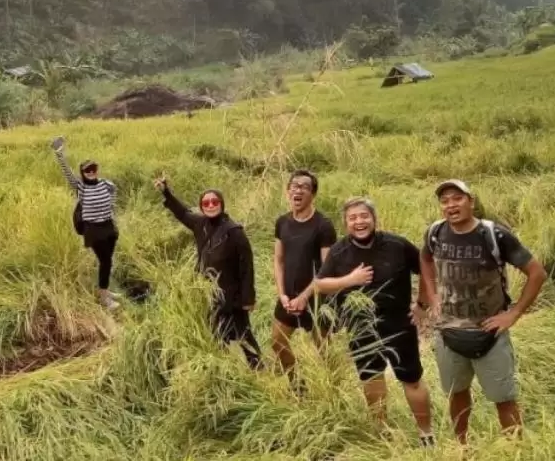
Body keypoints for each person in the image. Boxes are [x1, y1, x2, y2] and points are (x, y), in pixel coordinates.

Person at [419, 179, 547, 445]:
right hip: (448, 331)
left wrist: (513, 314)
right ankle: (462, 447)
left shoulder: (494, 235)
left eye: (457, 198)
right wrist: (431, 297)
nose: (451, 205)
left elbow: (537, 273)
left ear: (471, 201)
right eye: (445, 201)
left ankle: (515, 449)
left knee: (504, 398)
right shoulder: (435, 232)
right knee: (457, 393)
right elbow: (426, 259)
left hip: (489, 332)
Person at [315, 197, 434, 447]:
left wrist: (422, 304)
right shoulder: (339, 251)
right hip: (360, 327)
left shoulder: (396, 245)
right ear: (346, 223)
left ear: (373, 218)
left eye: (363, 216)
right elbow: (321, 284)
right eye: (353, 218)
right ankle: (382, 433)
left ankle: (426, 434)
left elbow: (426, 268)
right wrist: (349, 280)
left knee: (412, 379)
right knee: (372, 378)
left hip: (399, 324)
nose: (359, 222)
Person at [153, 176, 262, 369]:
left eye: (215, 202)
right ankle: (225, 366)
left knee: (241, 332)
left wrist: (248, 298)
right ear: (201, 206)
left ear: (222, 204)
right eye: (206, 202)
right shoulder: (200, 224)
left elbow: (247, 267)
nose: (210, 205)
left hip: (231, 293)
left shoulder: (234, 232)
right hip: (207, 291)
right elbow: (182, 212)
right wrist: (166, 192)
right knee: (215, 330)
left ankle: (258, 367)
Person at [272, 169, 337, 377]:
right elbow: (279, 259)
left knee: (323, 350)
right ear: (287, 191)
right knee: (278, 343)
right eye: (294, 186)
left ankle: (331, 392)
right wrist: (282, 293)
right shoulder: (282, 222)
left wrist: (305, 296)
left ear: (313, 194)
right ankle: (298, 385)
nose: (298, 190)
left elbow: (328, 268)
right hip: (288, 296)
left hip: (318, 298)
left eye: (304, 187)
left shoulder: (323, 225)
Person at [51, 136, 120, 310]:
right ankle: (104, 298)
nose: (91, 172)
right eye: (87, 170)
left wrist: (110, 208)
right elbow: (66, 172)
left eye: (93, 169)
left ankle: (104, 290)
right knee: (105, 261)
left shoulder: (106, 184)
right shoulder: (80, 187)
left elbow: (114, 195)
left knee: (108, 260)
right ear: (83, 173)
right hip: (93, 229)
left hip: (108, 226)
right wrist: (60, 154)